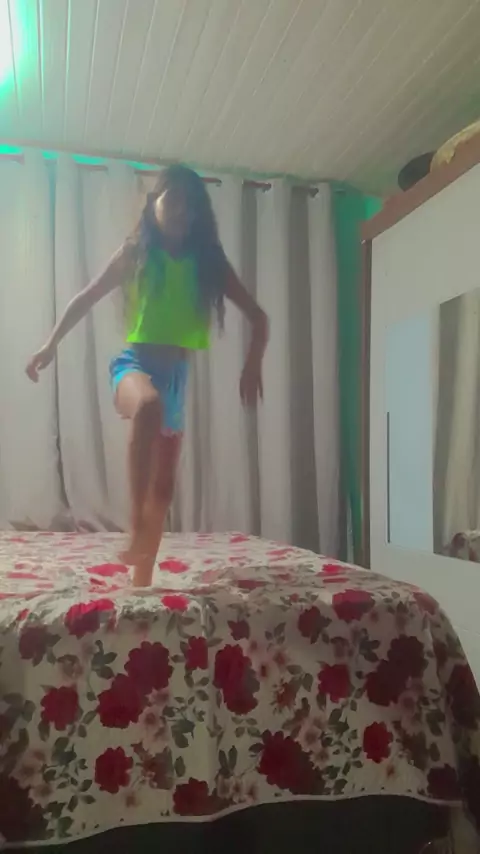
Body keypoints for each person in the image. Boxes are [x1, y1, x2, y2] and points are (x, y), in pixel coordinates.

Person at [26, 165, 268, 586]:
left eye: (190, 205)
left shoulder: (208, 261)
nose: (181, 211)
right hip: (132, 367)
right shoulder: (136, 252)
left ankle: (141, 583)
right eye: (173, 199)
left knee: (164, 491)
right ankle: (135, 527)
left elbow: (259, 318)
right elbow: (86, 297)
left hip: (176, 381)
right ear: (154, 202)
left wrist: (253, 364)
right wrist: (50, 344)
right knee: (148, 406)